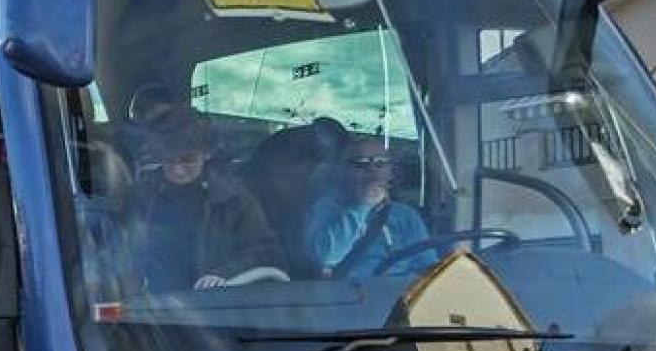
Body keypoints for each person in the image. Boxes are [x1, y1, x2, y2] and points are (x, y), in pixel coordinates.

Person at [126, 111, 281, 291]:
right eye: (168, 159)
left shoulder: (234, 199)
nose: (178, 170)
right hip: (153, 306)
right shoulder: (142, 196)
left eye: (188, 159)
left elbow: (266, 252)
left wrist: (225, 274)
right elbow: (122, 251)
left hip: (213, 306)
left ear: (207, 153)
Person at [302, 135, 434, 277]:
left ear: (390, 172)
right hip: (348, 296)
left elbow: (429, 267)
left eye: (380, 163)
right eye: (360, 163)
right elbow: (325, 256)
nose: (371, 169)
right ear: (344, 171)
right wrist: (362, 207)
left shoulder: (405, 215)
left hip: (399, 294)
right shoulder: (325, 208)